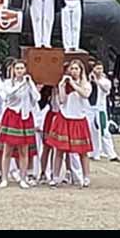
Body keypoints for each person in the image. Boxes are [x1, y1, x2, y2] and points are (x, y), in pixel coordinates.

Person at [46, 59, 93, 188]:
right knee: (59, 150)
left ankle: (86, 177)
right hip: (65, 117)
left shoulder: (86, 84)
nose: (74, 71)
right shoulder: (64, 84)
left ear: (81, 71)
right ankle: (55, 177)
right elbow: (62, 100)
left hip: (79, 118)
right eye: (72, 69)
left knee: (82, 151)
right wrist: (61, 86)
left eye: (76, 69)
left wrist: (73, 84)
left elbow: (85, 94)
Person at [0, 60, 40, 189]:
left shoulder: (28, 83)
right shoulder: (7, 83)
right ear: (13, 70)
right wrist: (20, 85)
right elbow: (8, 95)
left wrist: (30, 83)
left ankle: (23, 177)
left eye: (22, 68)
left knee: (24, 150)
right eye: (17, 68)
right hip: (12, 116)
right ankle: (4, 178)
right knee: (7, 149)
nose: (20, 71)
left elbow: (36, 98)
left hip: (25, 116)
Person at [90, 62, 120, 161]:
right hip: (90, 109)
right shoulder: (89, 80)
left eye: (101, 69)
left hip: (101, 109)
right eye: (97, 68)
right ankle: (95, 152)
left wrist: (97, 81)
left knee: (104, 131)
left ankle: (111, 154)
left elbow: (105, 89)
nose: (99, 71)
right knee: (93, 131)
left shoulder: (105, 81)